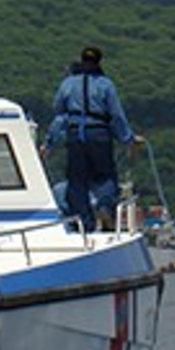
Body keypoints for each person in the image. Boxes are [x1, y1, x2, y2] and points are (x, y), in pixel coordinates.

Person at [42, 46, 142, 231]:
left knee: (76, 180)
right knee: (105, 176)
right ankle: (105, 207)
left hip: (75, 136)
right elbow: (116, 115)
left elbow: (60, 116)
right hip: (99, 134)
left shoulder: (68, 84)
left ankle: (84, 222)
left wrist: (49, 143)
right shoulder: (106, 84)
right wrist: (128, 139)